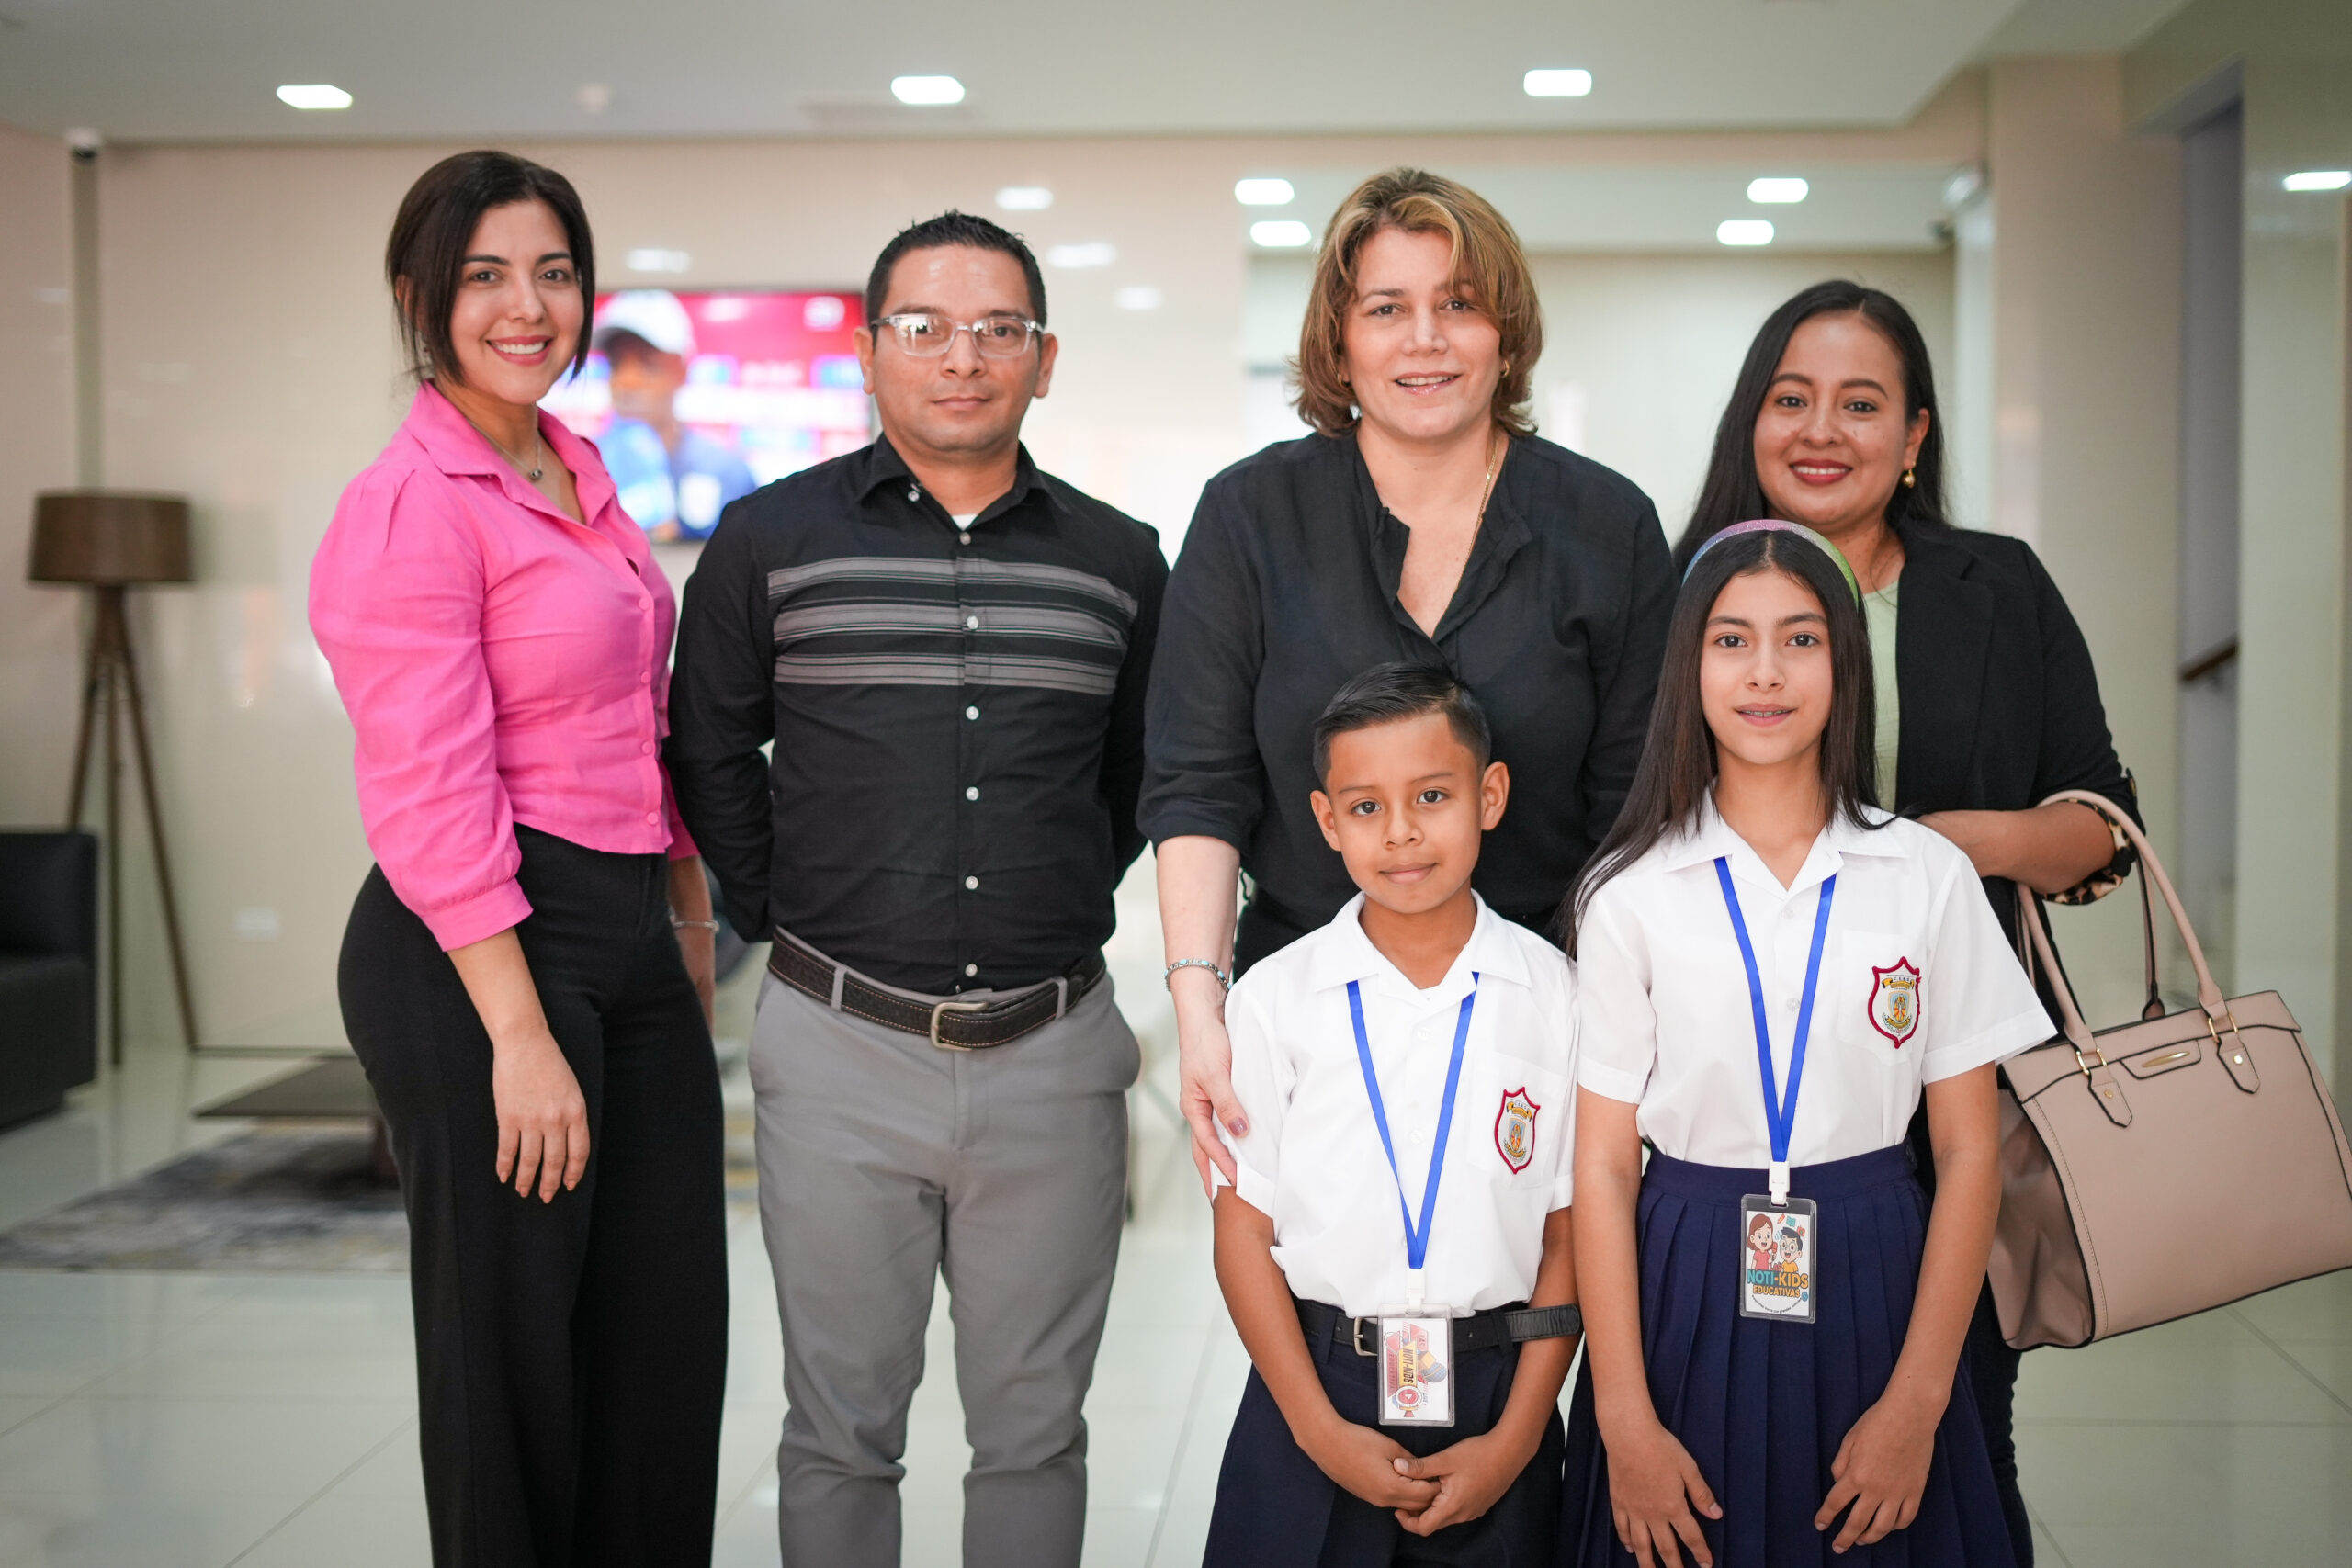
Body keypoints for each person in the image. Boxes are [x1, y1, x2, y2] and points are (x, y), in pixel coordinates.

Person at [664, 210, 1167, 1568]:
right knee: (839, 1433)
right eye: (926, 327)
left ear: (1044, 359)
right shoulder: (768, 538)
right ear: (869, 350)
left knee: (1035, 1434)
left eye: (999, 329)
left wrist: (1052, 893)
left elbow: (1141, 773)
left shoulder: (1119, 560)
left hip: (1052, 1055)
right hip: (839, 1047)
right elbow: (707, 749)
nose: (963, 358)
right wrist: (784, 911)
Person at [1677, 281, 2137, 1564]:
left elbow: (2100, 827)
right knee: (1732, 1460)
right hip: (1726, 1121)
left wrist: (1937, 847)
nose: (1822, 430)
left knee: (1954, 1441)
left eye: (1862, 404)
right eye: (1792, 398)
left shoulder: (1998, 588)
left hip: (1947, 1107)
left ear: (1916, 434)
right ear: (1751, 418)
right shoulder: (1688, 590)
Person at [310, 150, 726, 1566]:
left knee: (662, 1338)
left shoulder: (576, 463)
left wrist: (683, 922)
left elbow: (636, 719)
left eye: (553, 271)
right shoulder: (410, 498)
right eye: (485, 274)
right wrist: (519, 1029)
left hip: (624, 928)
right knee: (512, 1360)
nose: (526, 305)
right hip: (477, 951)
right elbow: (427, 779)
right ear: (418, 295)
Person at [1143, 166, 1675, 1200]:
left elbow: (1637, 814)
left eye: (1458, 305)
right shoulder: (1249, 517)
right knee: (1304, 1296)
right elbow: (1196, 787)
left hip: (1542, 1020)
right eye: (1386, 309)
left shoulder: (1605, 526)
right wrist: (1200, 1009)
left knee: (1540, 1290)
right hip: (1301, 1018)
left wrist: (1621, 1033)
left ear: (1505, 335)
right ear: (1339, 341)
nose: (1424, 340)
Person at [1559, 522, 2049, 1568]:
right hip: (1683, 1266)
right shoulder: (1627, 893)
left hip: (1879, 1258)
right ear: (1688, 665)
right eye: (1731, 640)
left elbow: (1970, 1151)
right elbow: (1599, 1167)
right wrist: (1623, 1417)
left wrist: (1919, 1400)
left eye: (1802, 638)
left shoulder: (1925, 875)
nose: (1766, 672)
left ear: (1845, 661)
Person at [1204, 663, 1583, 1567]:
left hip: (1497, 1392)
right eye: (1366, 807)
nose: (1401, 831)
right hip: (1315, 1387)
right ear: (1327, 819)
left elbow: (1569, 1236)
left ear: (1490, 795)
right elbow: (1241, 1229)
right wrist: (1316, 1427)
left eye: (1432, 796)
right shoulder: (1274, 1001)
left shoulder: (1556, 995)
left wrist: (1516, 1439)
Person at [593, 289, 759, 541]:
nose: (627, 382)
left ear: (682, 370)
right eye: (616, 364)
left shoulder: (727, 471)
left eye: (647, 364)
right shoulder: (582, 467)